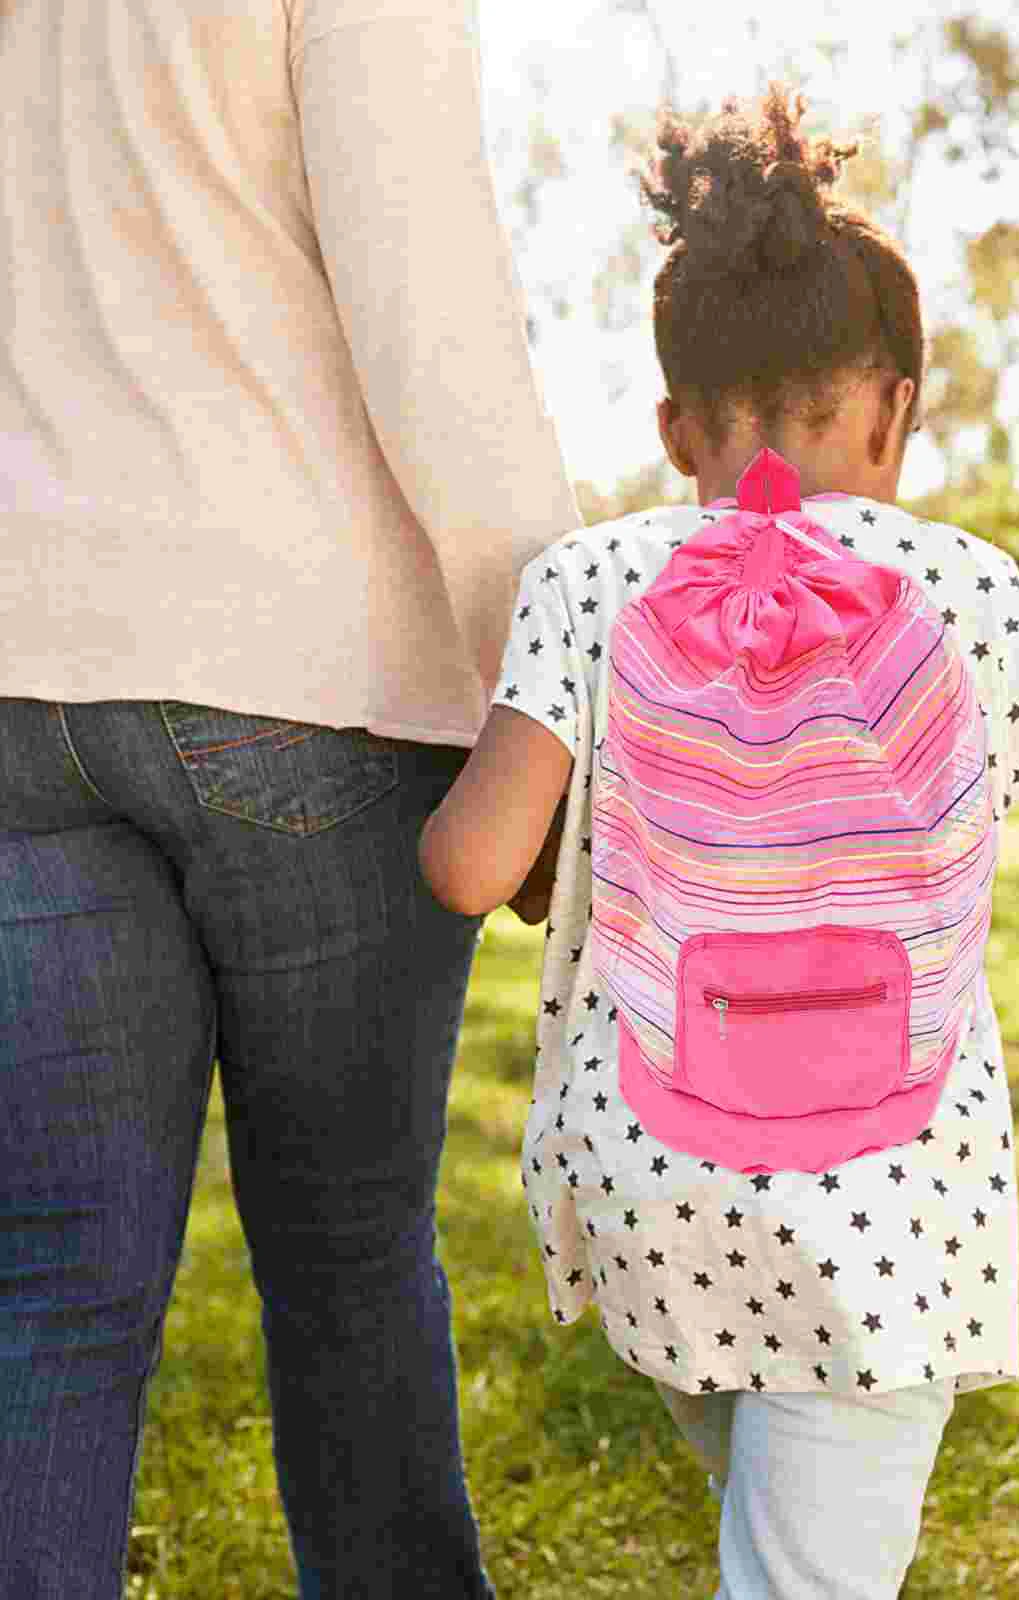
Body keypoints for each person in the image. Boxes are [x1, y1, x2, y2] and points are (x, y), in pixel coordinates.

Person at [419, 88, 1019, 1600]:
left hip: (654, 1182)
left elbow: (467, 869)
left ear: (675, 425)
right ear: (893, 409)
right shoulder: (961, 584)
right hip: (891, 1212)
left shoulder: (589, 579)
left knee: (776, 1508)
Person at [0, 1, 575, 1595]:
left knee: (50, 1296)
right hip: (302, 669)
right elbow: (428, 313)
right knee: (344, 1271)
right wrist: (549, 683)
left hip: (23, 673)